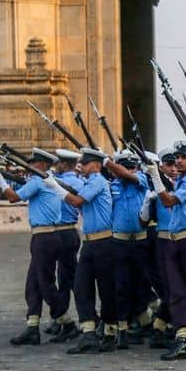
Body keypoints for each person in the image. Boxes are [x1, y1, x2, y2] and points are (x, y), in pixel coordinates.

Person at [0, 148, 68, 347]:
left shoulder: (39, 181)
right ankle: (32, 327)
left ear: (41, 165)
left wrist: (1, 179)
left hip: (44, 238)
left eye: (33, 163)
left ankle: (67, 322)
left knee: (45, 285)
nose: (30, 166)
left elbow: (14, 197)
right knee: (33, 284)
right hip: (46, 237)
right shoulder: (49, 180)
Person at [44, 148, 118, 354]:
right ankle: (88, 333)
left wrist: (54, 186)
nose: (81, 167)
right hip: (89, 243)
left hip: (104, 243)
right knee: (81, 286)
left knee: (106, 290)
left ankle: (110, 332)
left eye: (84, 164)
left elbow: (77, 201)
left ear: (95, 165)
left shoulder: (97, 181)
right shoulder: (88, 183)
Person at [146, 140, 186, 360]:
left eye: (184, 158)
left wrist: (155, 177)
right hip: (175, 242)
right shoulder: (183, 180)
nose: (179, 162)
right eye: (177, 158)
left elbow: (169, 201)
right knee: (178, 290)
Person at [104, 149, 150, 349]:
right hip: (120, 242)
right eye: (126, 166)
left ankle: (139, 323)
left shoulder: (140, 181)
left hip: (140, 240)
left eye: (132, 166)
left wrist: (107, 162)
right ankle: (122, 327)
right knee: (121, 286)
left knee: (141, 285)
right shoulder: (112, 186)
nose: (130, 170)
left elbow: (128, 176)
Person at [140, 148, 177, 349]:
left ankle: (164, 325)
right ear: (161, 167)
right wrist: (147, 201)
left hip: (185, 241)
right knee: (167, 286)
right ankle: (164, 326)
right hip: (162, 241)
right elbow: (145, 220)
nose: (172, 169)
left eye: (175, 164)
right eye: (168, 165)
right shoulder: (156, 187)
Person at [45, 149, 83, 343]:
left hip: (65, 231)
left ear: (64, 164)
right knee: (65, 278)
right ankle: (61, 318)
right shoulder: (74, 180)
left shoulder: (70, 183)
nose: (56, 165)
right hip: (65, 232)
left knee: (72, 279)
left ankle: (85, 318)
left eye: (58, 162)